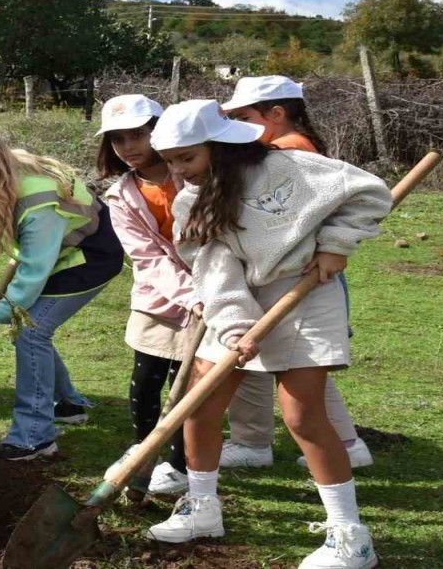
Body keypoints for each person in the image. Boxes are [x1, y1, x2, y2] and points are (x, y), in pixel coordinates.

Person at [145, 99, 390, 569]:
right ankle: (202, 509)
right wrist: (236, 327)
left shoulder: (292, 168)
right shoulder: (191, 201)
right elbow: (214, 271)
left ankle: (351, 538)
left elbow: (370, 194)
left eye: (187, 158)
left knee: (302, 417)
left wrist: (337, 244)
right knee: (199, 405)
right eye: (171, 160)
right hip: (237, 299)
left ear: (218, 146)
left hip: (305, 292)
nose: (179, 170)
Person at [219, 76, 372, 470]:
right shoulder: (282, 148)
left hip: (295, 275)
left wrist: (335, 246)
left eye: (243, 117)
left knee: (292, 361)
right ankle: (341, 442)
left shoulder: (287, 151)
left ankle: (338, 444)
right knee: (294, 361)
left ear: (276, 114)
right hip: (293, 272)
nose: (239, 126)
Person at [0, 130, 123, 461]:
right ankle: (68, 404)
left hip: (89, 258)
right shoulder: (2, 179)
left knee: (31, 331)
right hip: (57, 254)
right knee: (32, 331)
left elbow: (33, 275)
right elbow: (32, 251)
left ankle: (34, 438)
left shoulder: (37, 199)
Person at [96, 95, 200, 497]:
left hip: (211, 291)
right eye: (119, 139)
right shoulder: (121, 195)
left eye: (139, 134)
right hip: (157, 296)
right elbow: (147, 257)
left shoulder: (196, 176)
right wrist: (188, 295)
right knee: (145, 380)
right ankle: (142, 452)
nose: (129, 147)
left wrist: (203, 293)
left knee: (187, 384)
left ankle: (177, 464)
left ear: (161, 129)